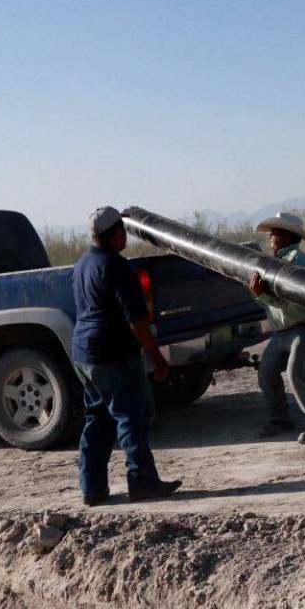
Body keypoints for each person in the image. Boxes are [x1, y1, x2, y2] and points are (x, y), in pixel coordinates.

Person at [72, 206, 182, 505]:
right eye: (123, 231)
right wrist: (156, 356)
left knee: (98, 416)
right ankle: (143, 482)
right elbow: (137, 321)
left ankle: (92, 488)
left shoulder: (82, 264)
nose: (126, 238)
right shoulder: (118, 267)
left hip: (84, 354)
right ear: (114, 232)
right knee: (133, 416)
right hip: (113, 353)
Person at [248, 212, 305, 445]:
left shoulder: (298, 261)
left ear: (287, 235)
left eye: (274, 233)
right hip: (284, 330)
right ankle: (281, 419)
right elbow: (269, 299)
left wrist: (262, 294)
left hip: (304, 327)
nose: (270, 237)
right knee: (267, 372)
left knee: (296, 374)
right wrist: (260, 294)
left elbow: (292, 300)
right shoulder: (277, 260)